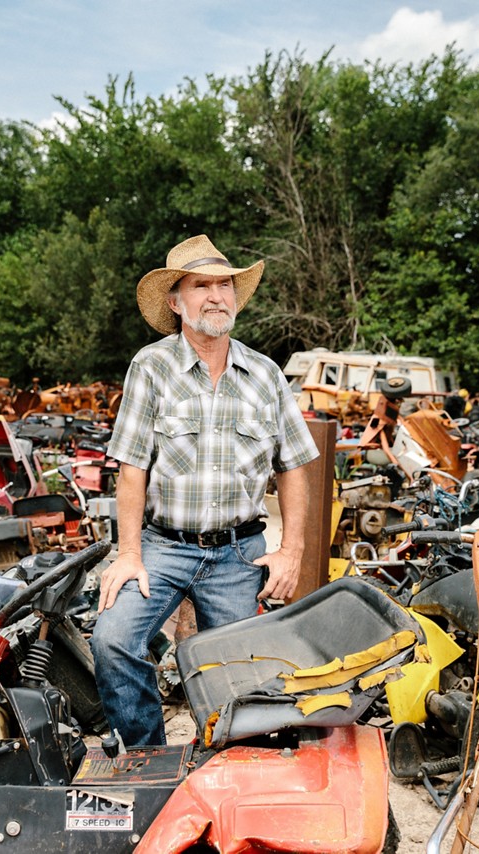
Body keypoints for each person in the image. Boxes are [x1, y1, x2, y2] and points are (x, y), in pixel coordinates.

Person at [90, 234, 319, 747]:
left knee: (243, 682)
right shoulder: (151, 367)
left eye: (225, 285)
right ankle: (149, 758)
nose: (217, 295)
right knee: (112, 640)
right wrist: (129, 554)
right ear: (176, 302)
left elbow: (294, 468)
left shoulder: (265, 374)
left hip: (239, 553)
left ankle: (224, 774)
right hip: (163, 546)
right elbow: (131, 470)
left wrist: (292, 552)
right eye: (202, 285)